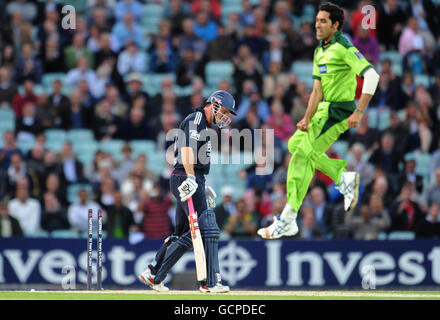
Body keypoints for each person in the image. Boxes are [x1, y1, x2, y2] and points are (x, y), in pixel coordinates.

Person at [258, 2, 380, 239]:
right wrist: (305, 117)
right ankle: (341, 177)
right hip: (322, 110)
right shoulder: (319, 51)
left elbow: (372, 76)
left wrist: (359, 112)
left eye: (323, 20)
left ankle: (288, 218)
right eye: (316, 20)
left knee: (300, 157)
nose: (317, 24)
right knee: (294, 146)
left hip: (338, 111)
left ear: (336, 25)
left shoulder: (344, 46)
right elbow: (316, 90)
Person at [139, 90, 236, 293]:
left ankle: (153, 273)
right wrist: (192, 178)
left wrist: (201, 182)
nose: (225, 117)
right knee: (207, 227)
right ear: (215, 104)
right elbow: (186, 150)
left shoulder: (204, 124)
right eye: (225, 111)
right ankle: (210, 282)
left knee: (181, 234)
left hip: (189, 177)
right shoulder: (197, 119)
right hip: (185, 176)